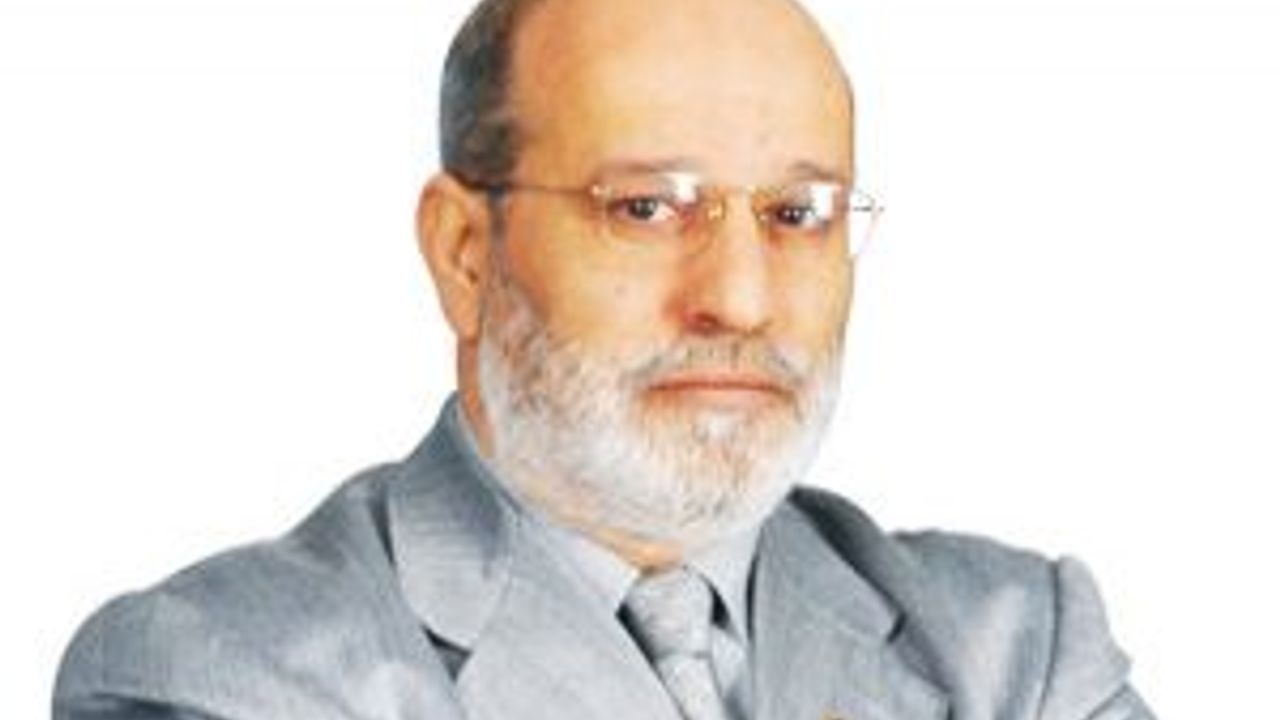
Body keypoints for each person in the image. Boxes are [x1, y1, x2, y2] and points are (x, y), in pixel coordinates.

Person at [53, 0, 1155, 718]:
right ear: (465, 252)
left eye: (797, 213)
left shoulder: (1020, 649)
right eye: (646, 207)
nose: (740, 297)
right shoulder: (220, 675)